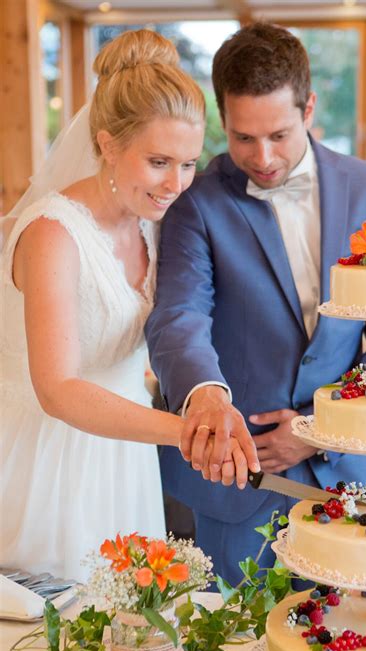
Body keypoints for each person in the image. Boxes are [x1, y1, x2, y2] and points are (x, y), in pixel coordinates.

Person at [146, 22, 366, 586]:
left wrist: (324, 424)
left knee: (341, 648)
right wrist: (205, 401)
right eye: (242, 138)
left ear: (310, 108)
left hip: (348, 472)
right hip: (237, 477)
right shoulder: (194, 203)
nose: (263, 157)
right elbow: (180, 318)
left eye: (278, 134)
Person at [0, 29, 256, 583]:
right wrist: (184, 432)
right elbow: (58, 389)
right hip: (50, 458)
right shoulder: (52, 233)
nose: (176, 184)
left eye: (188, 164)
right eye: (159, 161)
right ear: (108, 144)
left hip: (123, 456)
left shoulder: (154, 223)